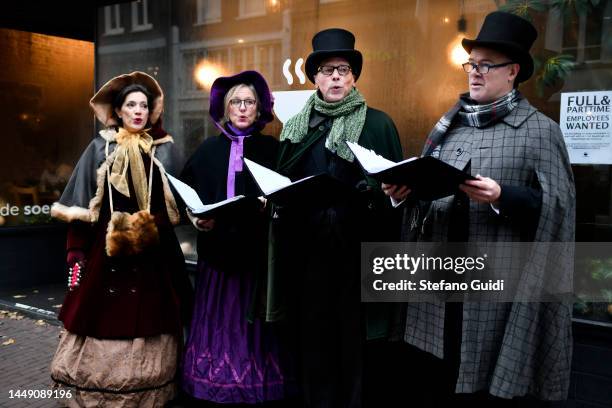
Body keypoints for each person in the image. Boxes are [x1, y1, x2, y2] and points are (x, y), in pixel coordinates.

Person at [384, 11, 575, 406]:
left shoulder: (541, 130)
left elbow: (558, 209)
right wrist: (403, 193)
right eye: (472, 63)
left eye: (487, 65)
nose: (475, 72)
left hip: (495, 290)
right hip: (437, 285)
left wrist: (503, 196)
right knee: (434, 380)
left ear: (513, 72)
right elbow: (427, 191)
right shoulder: (449, 124)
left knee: (484, 385)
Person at [269, 28, 404, 408]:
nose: (336, 78)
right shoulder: (297, 126)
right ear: (314, 77)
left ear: (354, 77)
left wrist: (375, 197)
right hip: (307, 253)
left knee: (356, 342)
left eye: (343, 70)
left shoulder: (378, 124)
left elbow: (399, 194)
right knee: (312, 340)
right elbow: (283, 183)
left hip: (358, 253)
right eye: (327, 70)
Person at [49, 71, 193, 407]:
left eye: (144, 105)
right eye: (131, 105)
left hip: (153, 252)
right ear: (119, 110)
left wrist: (149, 224)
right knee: (100, 317)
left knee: (153, 316)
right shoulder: (100, 147)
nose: (138, 111)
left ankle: (148, 392)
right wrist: (76, 252)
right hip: (106, 253)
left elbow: (181, 201)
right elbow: (81, 205)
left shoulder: (164, 149)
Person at [180, 70, 294, 406]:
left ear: (259, 109)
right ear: (225, 109)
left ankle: (257, 385)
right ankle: (213, 383)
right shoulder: (206, 151)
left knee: (255, 329)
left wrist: (270, 206)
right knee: (220, 325)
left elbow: (289, 196)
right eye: (236, 102)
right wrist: (195, 218)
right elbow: (187, 194)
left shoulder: (275, 150)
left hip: (257, 261)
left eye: (249, 102)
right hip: (217, 259)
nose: (243, 108)